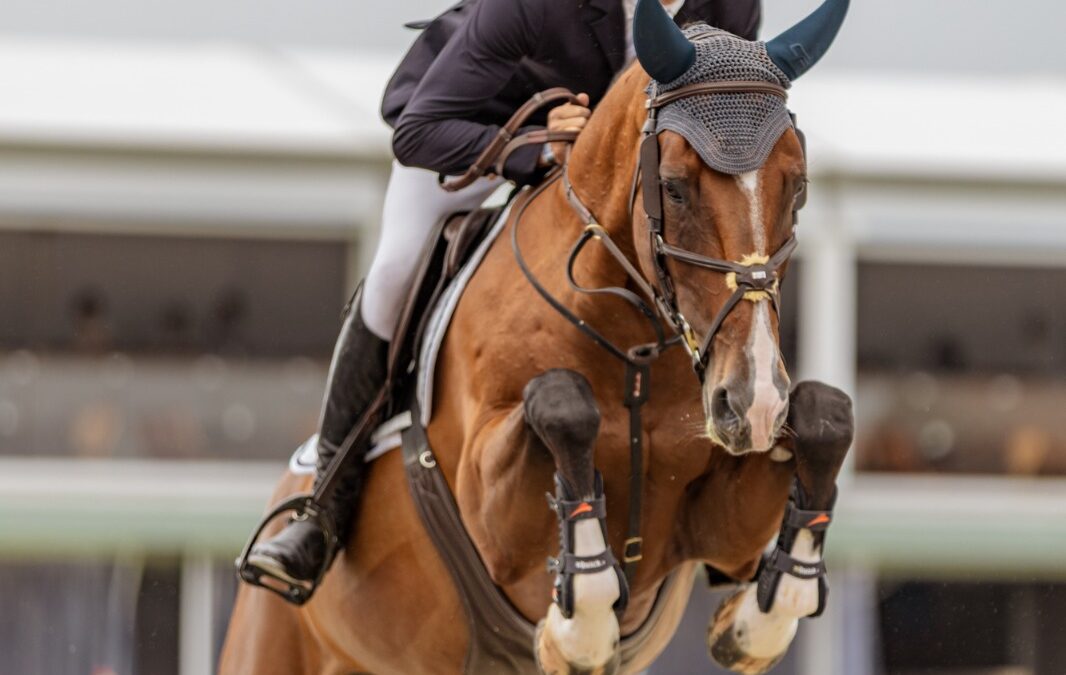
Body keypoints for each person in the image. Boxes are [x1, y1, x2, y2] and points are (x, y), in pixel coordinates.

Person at [244, 0, 762, 601]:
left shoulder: (731, 6)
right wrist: (539, 148)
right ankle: (324, 508)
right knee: (393, 272)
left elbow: (727, 115)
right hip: (477, 144)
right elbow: (418, 131)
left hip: (616, 180)